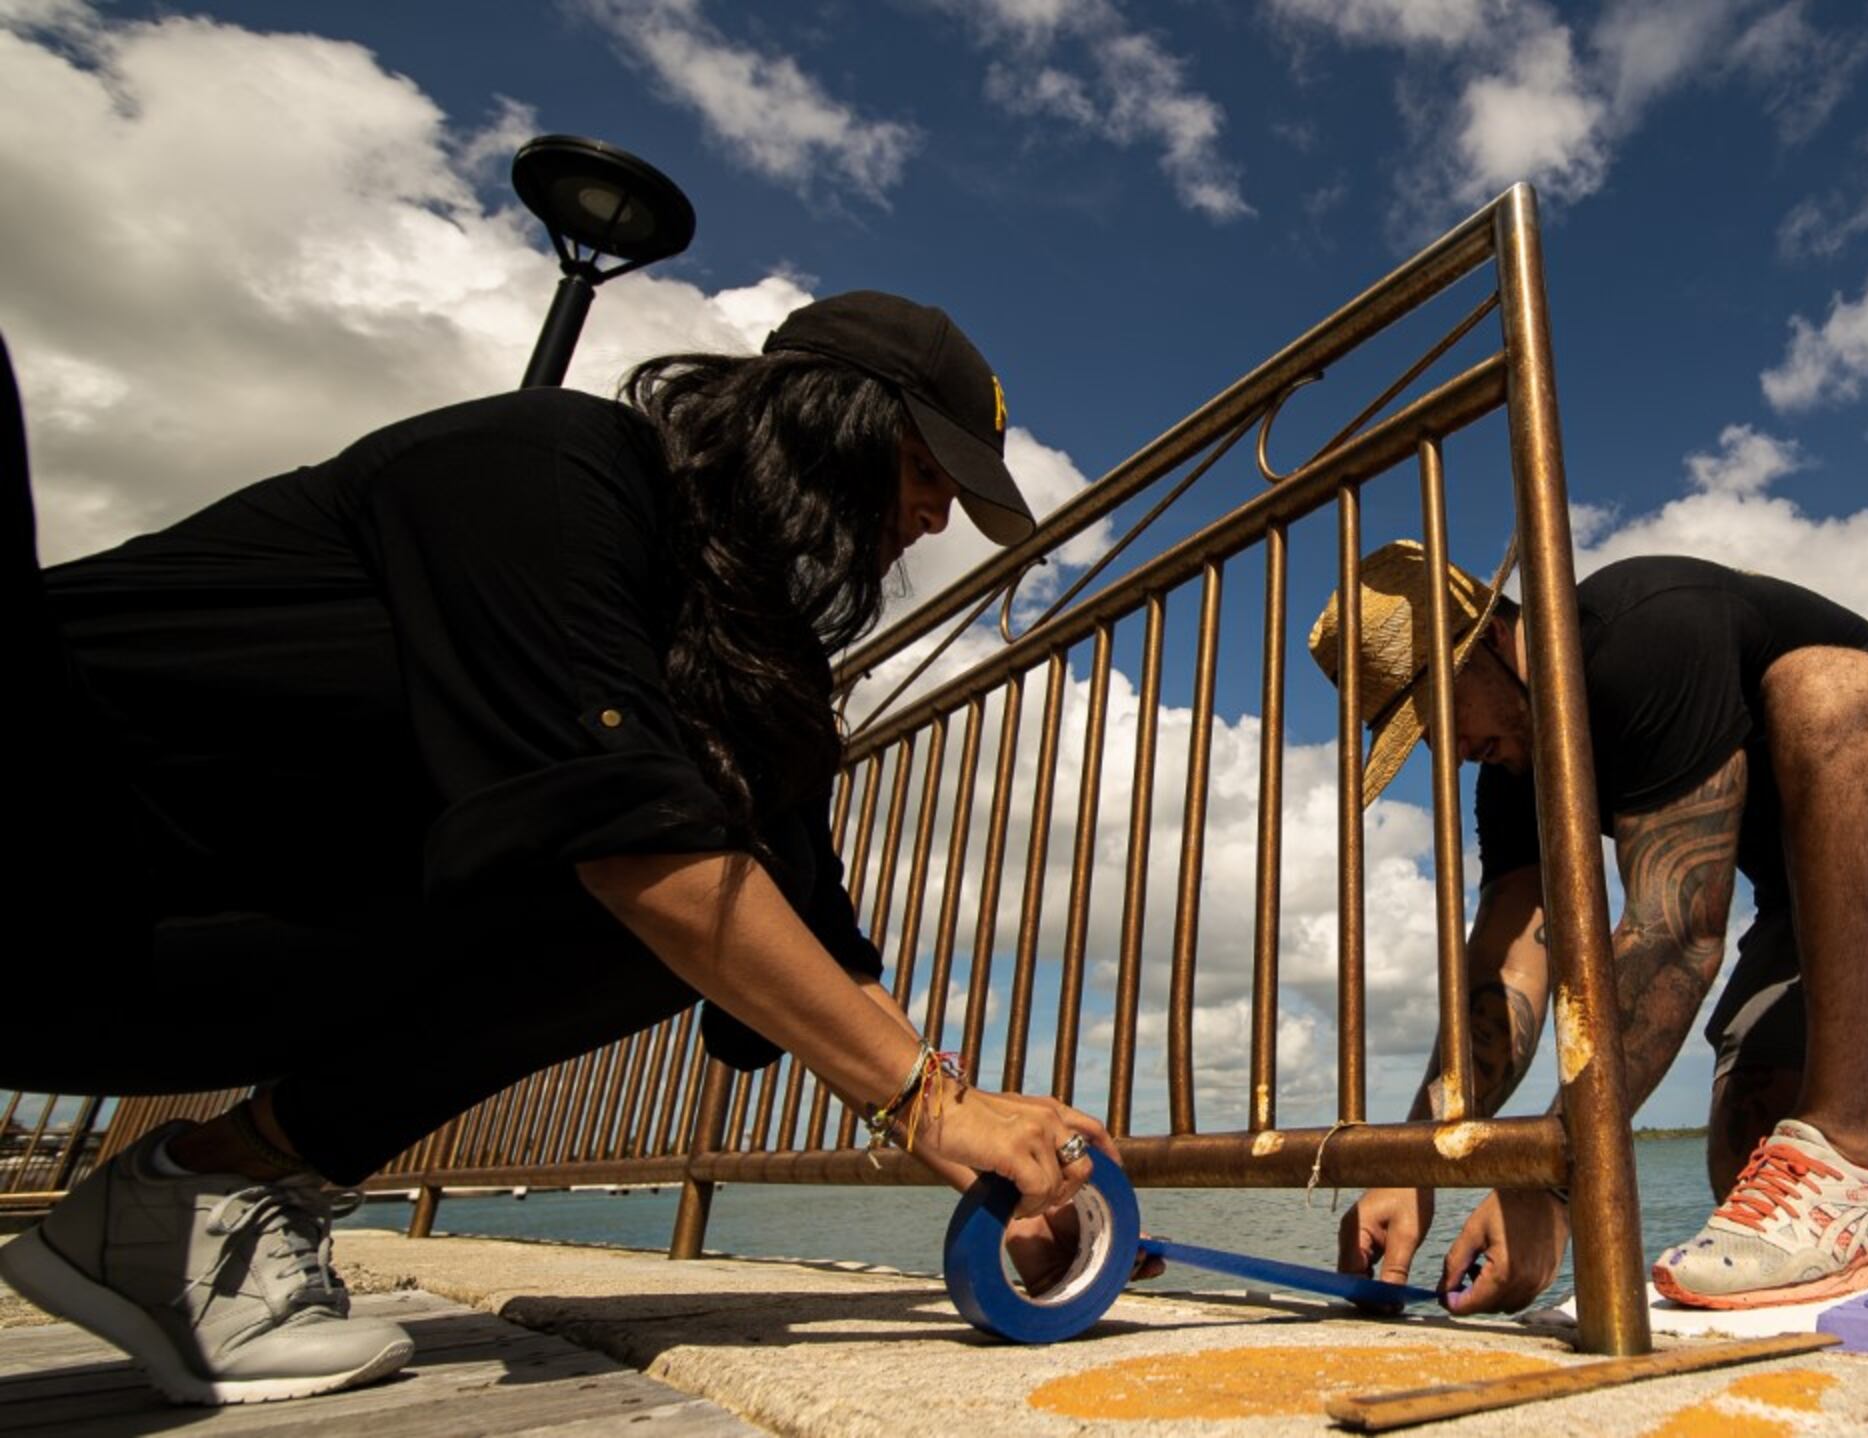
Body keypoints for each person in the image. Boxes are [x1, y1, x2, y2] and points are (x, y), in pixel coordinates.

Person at [0, 294, 1124, 1405]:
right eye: (928, 474)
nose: (931, 521)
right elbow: (626, 831)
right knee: (648, 849)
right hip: (51, 845)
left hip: (139, 968)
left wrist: (982, 1133)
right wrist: (924, 1104)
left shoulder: (746, 663)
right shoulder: (543, 464)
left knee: (707, 893)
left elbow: (822, 941)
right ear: (832, 417)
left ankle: (197, 1192)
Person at [1312, 540, 1868, 1314]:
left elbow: (1674, 934)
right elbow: (1506, 970)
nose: (1446, 753)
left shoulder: (1644, 633)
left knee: (1822, 690)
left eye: (1440, 710)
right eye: (1416, 736)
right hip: (1848, 925)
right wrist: (1417, 1160)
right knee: (1751, 1156)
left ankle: (1852, 1162)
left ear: (1489, 638)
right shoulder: (1513, 771)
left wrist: (1553, 1180)